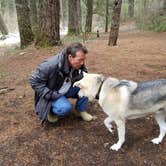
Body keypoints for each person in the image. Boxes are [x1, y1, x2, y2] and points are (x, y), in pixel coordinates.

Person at [29, 42, 94, 124]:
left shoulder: (78, 64)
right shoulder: (50, 65)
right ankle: (51, 110)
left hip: (66, 87)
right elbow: (33, 81)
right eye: (80, 60)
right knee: (65, 108)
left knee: (87, 86)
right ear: (70, 57)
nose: (82, 63)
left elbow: (83, 74)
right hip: (53, 92)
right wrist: (49, 94)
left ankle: (80, 110)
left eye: (83, 60)